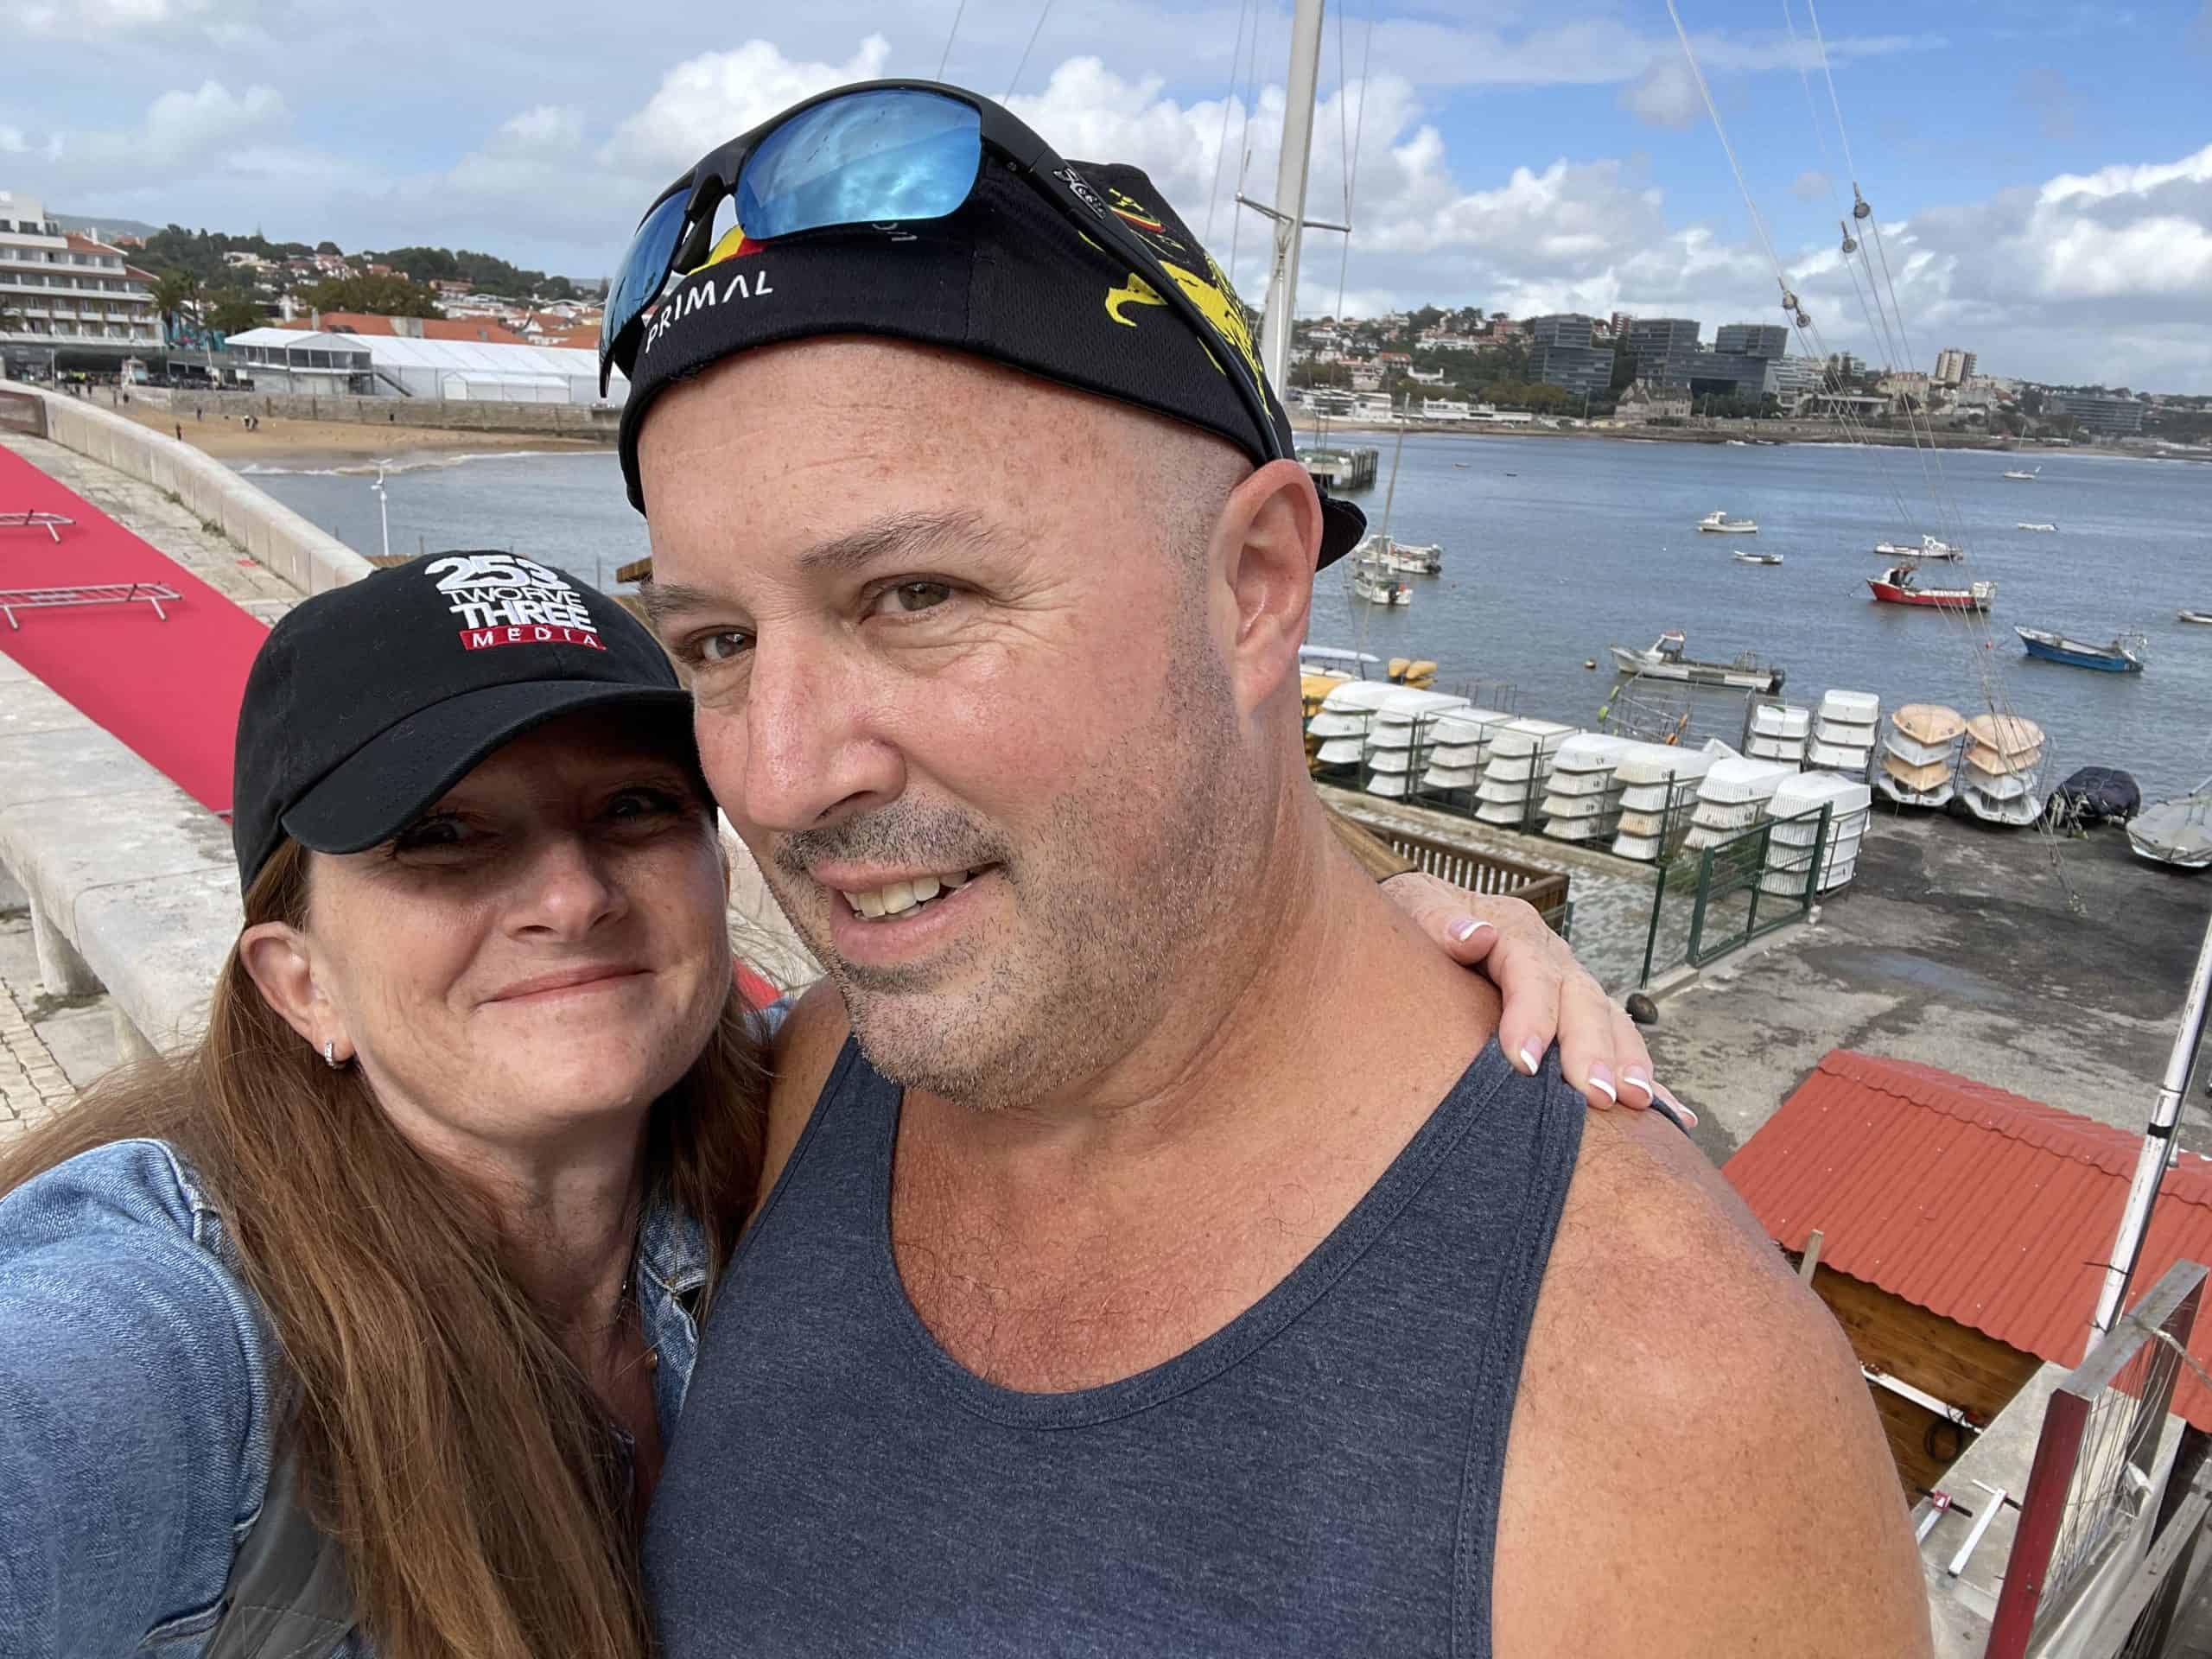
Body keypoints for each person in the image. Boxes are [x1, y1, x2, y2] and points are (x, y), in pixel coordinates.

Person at [608, 82, 1931, 1655]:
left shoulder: (1666, 1411)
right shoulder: (827, 1074)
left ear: (1253, 586)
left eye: (913, 596)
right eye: (717, 642)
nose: (774, 777)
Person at [0, 556, 1648, 1658]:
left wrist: (1357, 946)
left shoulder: (791, 1135)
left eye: (634, 807)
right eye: (444, 838)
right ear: (298, 982)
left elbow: (1084, 975)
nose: (570, 895)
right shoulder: (170, 1337)